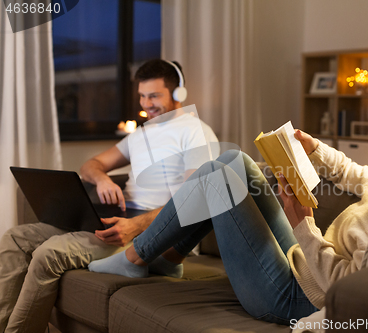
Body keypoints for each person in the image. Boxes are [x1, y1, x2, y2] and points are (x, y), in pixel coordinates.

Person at [89, 74, 368, 324]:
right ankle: (155, 258)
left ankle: (135, 257)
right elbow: (350, 172)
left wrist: (301, 222)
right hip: (304, 267)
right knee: (233, 161)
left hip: (298, 299)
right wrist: (310, 148)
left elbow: (353, 290)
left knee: (220, 176)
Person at [0, 59, 218, 333]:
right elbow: (90, 165)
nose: (146, 103)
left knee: (49, 253)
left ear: (177, 94)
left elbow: (192, 199)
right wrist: (101, 179)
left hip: (150, 233)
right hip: (118, 218)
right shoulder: (142, 133)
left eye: (154, 96)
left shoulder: (197, 132)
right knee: (15, 239)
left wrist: (136, 225)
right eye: (142, 95)